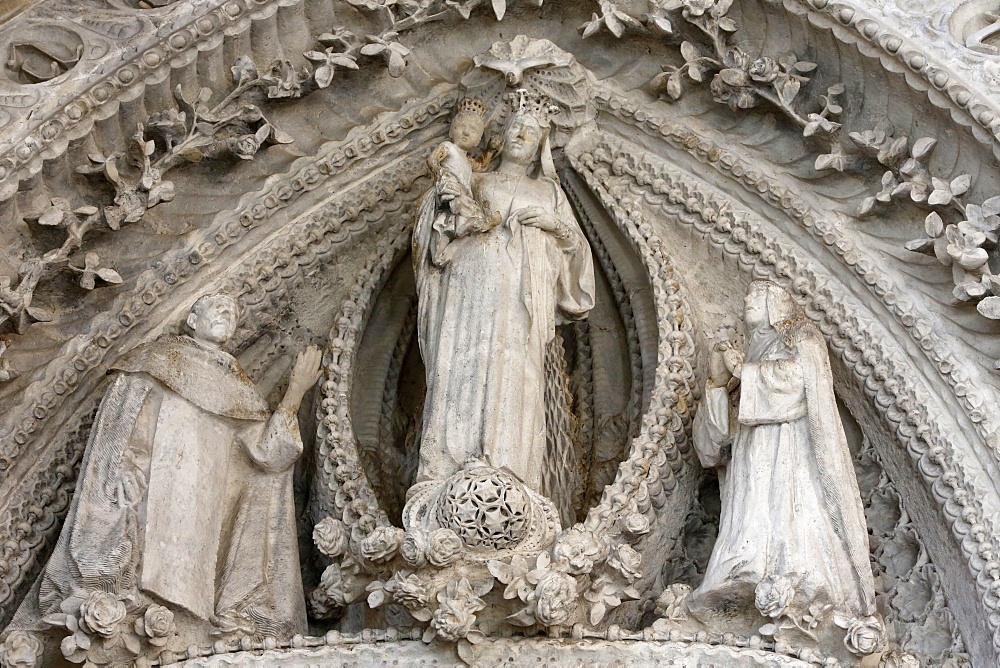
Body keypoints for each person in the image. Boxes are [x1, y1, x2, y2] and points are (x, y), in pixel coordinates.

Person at [36, 293, 321, 643]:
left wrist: (295, 392)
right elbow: (127, 420)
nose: (224, 315)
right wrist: (123, 464)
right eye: (216, 308)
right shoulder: (159, 360)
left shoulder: (238, 386)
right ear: (192, 319)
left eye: (231, 314)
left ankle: (182, 631)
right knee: (148, 565)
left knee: (191, 585)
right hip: (158, 487)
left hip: (205, 505)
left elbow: (268, 454)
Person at [412, 98, 595, 494]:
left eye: (530, 131)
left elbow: (578, 263)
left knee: (516, 374)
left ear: (540, 146)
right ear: (503, 133)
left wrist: (554, 227)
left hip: (522, 296)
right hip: (470, 288)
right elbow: (436, 235)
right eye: (515, 127)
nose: (521, 135)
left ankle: (511, 468)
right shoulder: (478, 182)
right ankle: (445, 467)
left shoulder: (548, 193)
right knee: (459, 366)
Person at [689, 281, 875, 621]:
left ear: (777, 305)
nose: (746, 298)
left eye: (756, 295)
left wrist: (742, 371)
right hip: (750, 456)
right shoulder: (748, 359)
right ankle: (740, 572)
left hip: (789, 450)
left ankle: (794, 581)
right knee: (751, 508)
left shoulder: (800, 337)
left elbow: (795, 384)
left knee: (787, 508)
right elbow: (716, 444)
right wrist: (717, 385)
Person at [424, 97, 500, 267]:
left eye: (472, 130)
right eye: (461, 127)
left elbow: (481, 165)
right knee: (463, 212)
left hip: (461, 195)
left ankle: (444, 252)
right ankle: (479, 224)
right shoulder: (448, 147)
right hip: (450, 190)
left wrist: (490, 150)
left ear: (478, 140)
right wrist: (441, 174)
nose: (466, 132)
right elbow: (432, 160)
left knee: (451, 223)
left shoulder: (467, 161)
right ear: (451, 131)